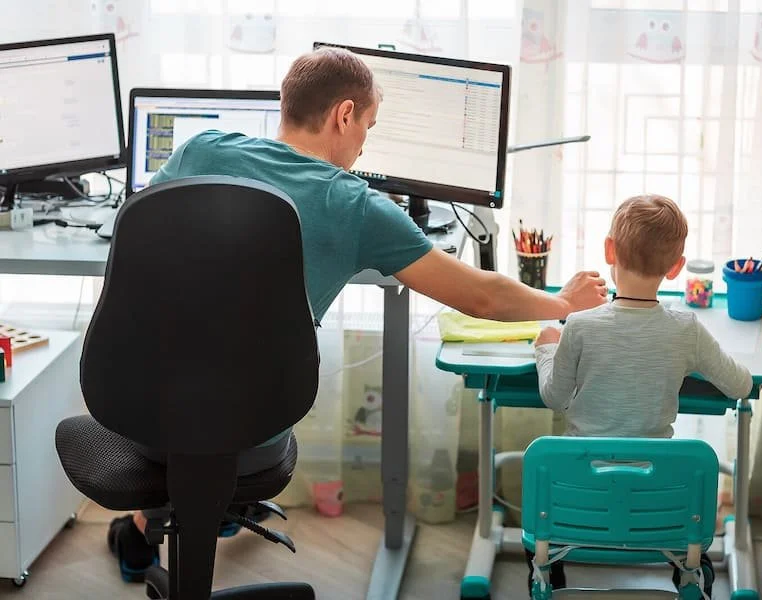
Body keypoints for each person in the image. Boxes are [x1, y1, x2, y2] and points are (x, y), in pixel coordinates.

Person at [106, 46, 608, 582]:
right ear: (344, 115)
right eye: (368, 125)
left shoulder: (200, 149)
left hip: (138, 404)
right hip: (250, 421)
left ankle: (152, 521)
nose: (365, 141)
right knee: (228, 406)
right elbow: (480, 297)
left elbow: (138, 229)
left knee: (198, 394)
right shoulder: (356, 207)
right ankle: (207, 501)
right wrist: (562, 304)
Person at [527, 195, 752, 598]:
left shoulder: (578, 326)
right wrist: (692, 359)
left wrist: (546, 348)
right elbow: (741, 386)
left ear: (609, 250)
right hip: (657, 506)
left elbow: (553, 396)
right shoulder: (686, 329)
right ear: (676, 267)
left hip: (580, 502)